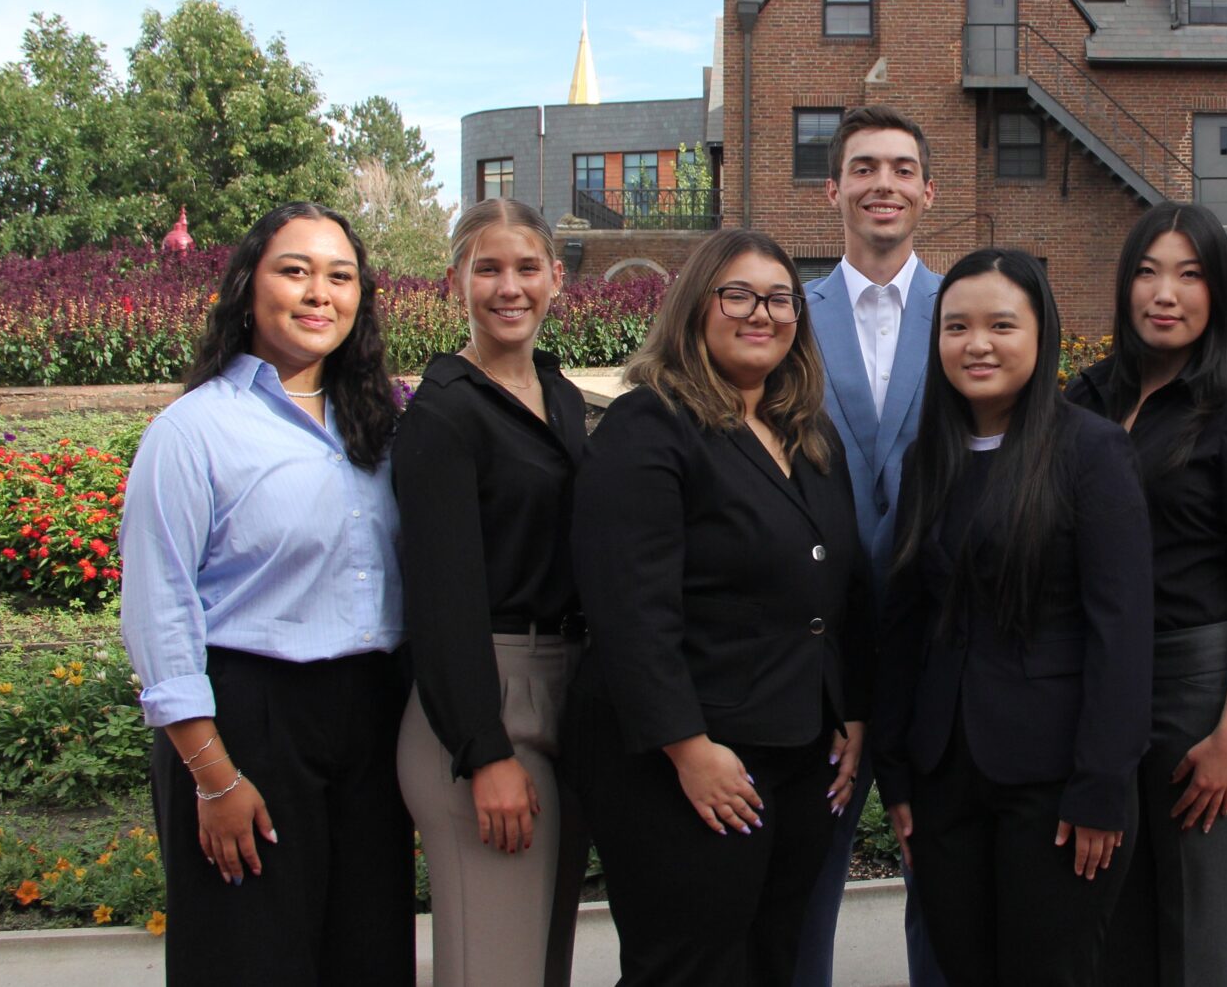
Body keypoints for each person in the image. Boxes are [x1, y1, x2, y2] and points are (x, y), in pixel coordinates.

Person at [567, 227, 872, 987]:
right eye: (738, 295)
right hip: (687, 766)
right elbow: (630, 613)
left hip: (797, 753)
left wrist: (849, 710)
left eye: (779, 299)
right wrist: (688, 749)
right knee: (688, 968)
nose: (760, 314)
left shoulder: (809, 437)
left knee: (772, 961)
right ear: (695, 306)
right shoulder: (650, 427)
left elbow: (840, 589)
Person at [119, 202, 412, 985]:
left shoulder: (381, 425)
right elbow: (158, 611)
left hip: (371, 719)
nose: (320, 293)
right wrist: (214, 776)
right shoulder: (194, 431)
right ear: (249, 288)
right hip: (248, 720)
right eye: (296, 271)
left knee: (367, 957)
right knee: (248, 959)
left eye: (340, 277)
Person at [876, 248, 1154, 987]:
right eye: (957, 327)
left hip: (1057, 786)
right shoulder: (928, 458)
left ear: (1041, 334)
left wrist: (1102, 784)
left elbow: (1122, 632)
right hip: (944, 781)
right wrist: (895, 774)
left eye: (1001, 325)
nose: (978, 345)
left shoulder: (1092, 450)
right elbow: (906, 622)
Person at [1065, 202, 1227, 986]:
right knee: (1108, 913)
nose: (1166, 293)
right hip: (1097, 683)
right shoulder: (1084, 397)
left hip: (1197, 687)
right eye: (1148, 272)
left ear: (1217, 293)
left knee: (1198, 925)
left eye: (1190, 275)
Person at [392, 199, 587, 987]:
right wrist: (484, 753)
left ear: (556, 278)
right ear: (455, 283)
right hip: (485, 700)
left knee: (543, 964)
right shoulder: (444, 415)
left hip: (567, 685)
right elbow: (441, 600)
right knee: (495, 968)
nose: (510, 287)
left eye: (527, 267)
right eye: (488, 269)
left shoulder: (558, 395)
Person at [796, 104, 947, 987]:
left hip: (939, 644)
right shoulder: (787, 313)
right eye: (863, 168)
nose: (882, 184)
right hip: (823, 649)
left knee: (948, 894)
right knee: (806, 891)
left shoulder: (967, 309)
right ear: (833, 190)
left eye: (900, 168)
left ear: (928, 191)